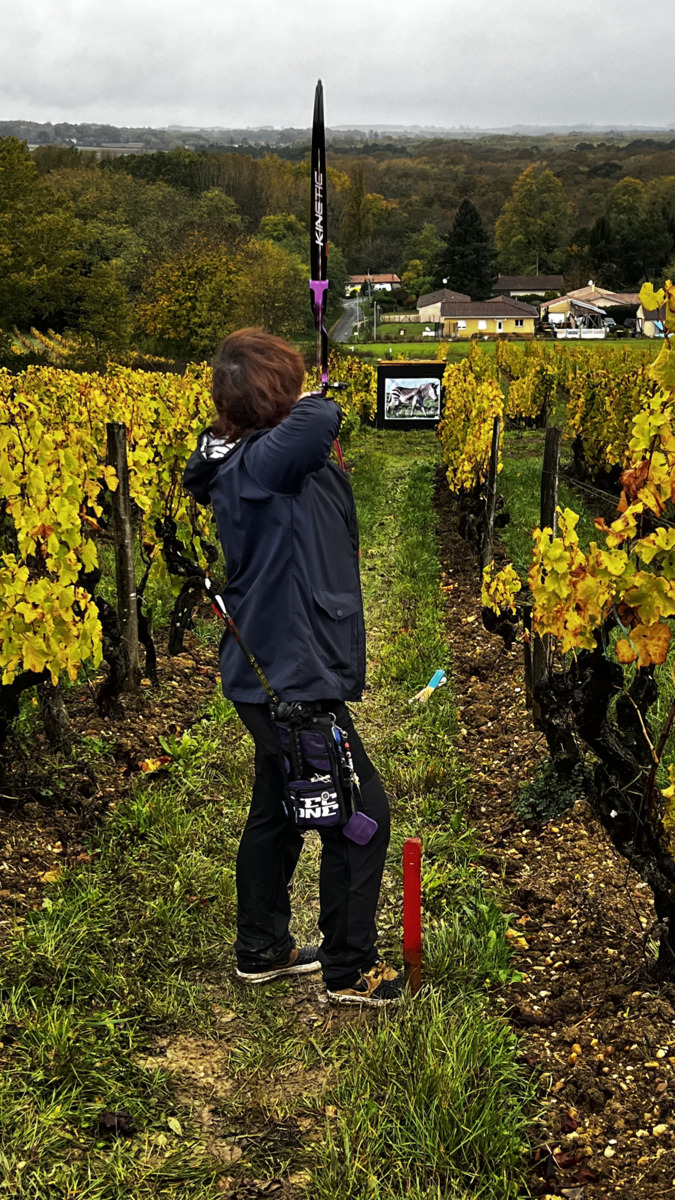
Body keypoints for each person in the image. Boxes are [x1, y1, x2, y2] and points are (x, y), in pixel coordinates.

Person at [183, 328, 400, 1006]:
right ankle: (350, 969)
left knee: (278, 808)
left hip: (271, 671)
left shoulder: (244, 456)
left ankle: (262, 948)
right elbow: (314, 424)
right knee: (359, 812)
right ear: (274, 396)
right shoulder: (264, 461)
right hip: (291, 676)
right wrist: (313, 396)